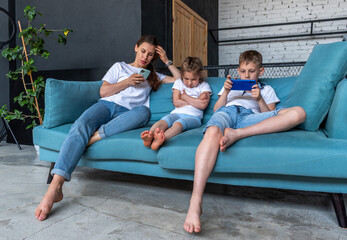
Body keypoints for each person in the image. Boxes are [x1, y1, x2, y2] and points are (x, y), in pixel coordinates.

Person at [35, 35, 178, 221]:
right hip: (107, 106)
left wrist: (167, 60)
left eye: (151, 55)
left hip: (129, 114)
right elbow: (103, 91)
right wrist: (127, 82)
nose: (146, 57)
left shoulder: (152, 76)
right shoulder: (119, 67)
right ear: (136, 48)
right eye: (143, 51)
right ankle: (55, 187)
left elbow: (179, 79)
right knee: (80, 125)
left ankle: (95, 137)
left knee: (144, 111)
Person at [183, 50, 307, 233]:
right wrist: (225, 92)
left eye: (251, 71)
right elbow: (217, 109)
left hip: (251, 119)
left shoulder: (266, 89)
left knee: (299, 113)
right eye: (242, 71)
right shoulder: (230, 87)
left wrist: (258, 98)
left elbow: (267, 115)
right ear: (238, 70)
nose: (246, 75)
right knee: (212, 131)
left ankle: (238, 134)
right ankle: (195, 202)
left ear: (261, 71)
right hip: (228, 112)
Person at [141, 57, 211, 150]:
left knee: (178, 124)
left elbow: (202, 105)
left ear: (200, 76)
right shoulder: (179, 83)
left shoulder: (204, 86)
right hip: (176, 113)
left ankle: (161, 139)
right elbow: (176, 103)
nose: (189, 83)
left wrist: (184, 97)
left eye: (193, 79)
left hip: (194, 117)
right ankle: (150, 135)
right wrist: (196, 100)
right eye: (186, 78)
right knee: (165, 120)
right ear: (182, 75)